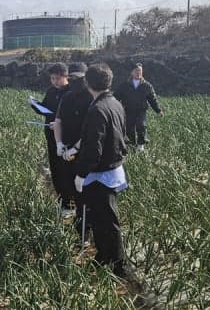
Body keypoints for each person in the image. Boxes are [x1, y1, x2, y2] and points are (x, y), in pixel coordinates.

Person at [73, 63, 132, 279]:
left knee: (109, 221)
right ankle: (104, 256)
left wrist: (81, 173)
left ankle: (119, 265)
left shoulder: (97, 109)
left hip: (101, 174)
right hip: (112, 169)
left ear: (87, 82)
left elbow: (94, 149)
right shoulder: (114, 103)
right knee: (100, 218)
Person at [52, 62, 92, 235]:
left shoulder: (91, 99)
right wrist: (59, 143)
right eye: (72, 78)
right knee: (70, 185)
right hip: (67, 150)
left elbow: (91, 131)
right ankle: (75, 219)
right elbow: (58, 121)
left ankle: (84, 230)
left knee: (85, 193)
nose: (74, 81)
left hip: (84, 152)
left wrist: (75, 149)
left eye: (78, 78)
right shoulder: (67, 97)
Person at [29, 63, 73, 216]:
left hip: (65, 138)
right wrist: (34, 104)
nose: (54, 81)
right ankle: (62, 202)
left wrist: (61, 125)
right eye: (52, 78)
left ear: (65, 76)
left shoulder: (71, 93)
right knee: (55, 170)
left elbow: (74, 116)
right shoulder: (51, 91)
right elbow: (46, 109)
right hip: (50, 136)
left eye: (57, 78)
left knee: (65, 170)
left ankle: (70, 204)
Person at [113, 62, 163, 151]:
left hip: (141, 110)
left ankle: (141, 144)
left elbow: (152, 99)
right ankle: (131, 145)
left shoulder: (147, 86)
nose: (139, 72)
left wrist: (158, 110)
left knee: (141, 125)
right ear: (131, 72)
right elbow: (116, 97)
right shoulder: (124, 85)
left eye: (140, 71)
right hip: (128, 110)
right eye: (136, 71)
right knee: (129, 127)